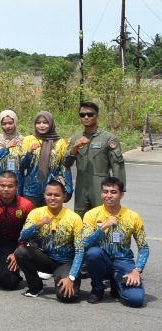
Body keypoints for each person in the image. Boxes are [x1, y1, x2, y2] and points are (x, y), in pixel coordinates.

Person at [78, 177, 148, 307]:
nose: (108, 195)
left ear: (121, 195)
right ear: (101, 193)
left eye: (113, 192)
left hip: (123, 262)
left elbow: (144, 247)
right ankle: (97, 288)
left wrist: (136, 270)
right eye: (105, 191)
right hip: (101, 261)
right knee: (93, 253)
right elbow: (84, 243)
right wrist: (103, 227)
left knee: (135, 300)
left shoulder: (133, 216)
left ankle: (117, 283)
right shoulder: (91, 215)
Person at [15, 181, 84, 301]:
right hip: (44, 258)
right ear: (44, 195)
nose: (52, 198)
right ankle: (35, 286)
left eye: (56, 195)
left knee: (67, 297)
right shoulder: (36, 213)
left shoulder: (74, 218)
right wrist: (38, 224)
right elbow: (22, 237)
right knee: (20, 252)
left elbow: (80, 251)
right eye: (49, 194)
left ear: (64, 197)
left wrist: (71, 277)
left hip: (65, 263)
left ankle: (65, 278)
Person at [65, 101, 126, 214]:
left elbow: (117, 165)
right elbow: (66, 163)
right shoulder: (75, 138)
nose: (86, 117)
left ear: (97, 115)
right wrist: (74, 148)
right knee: (80, 218)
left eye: (90, 114)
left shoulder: (108, 139)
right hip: (81, 186)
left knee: (102, 217)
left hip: (101, 185)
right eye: (82, 115)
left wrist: (119, 189)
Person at [18, 111, 68, 203]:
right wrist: (29, 152)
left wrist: (67, 189)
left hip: (52, 191)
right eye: (38, 122)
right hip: (31, 190)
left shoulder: (60, 142)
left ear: (51, 124)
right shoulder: (28, 140)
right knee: (32, 216)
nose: (41, 125)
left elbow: (64, 167)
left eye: (45, 122)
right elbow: (21, 166)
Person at [0, 110, 24, 197]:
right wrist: (5, 147)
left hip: (16, 184)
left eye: (10, 123)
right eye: (4, 124)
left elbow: (25, 164)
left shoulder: (22, 141)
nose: (7, 126)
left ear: (15, 122)